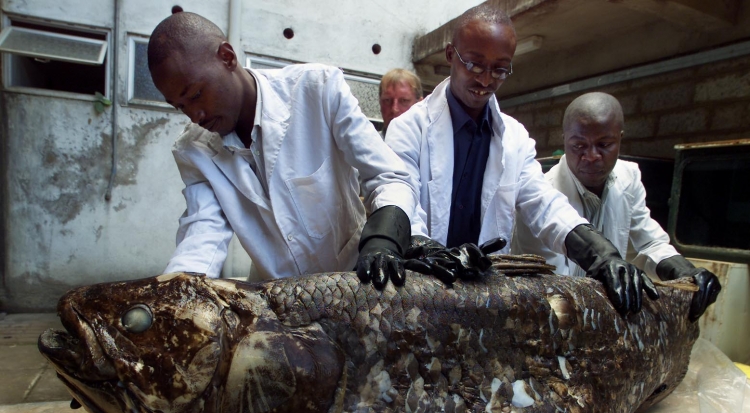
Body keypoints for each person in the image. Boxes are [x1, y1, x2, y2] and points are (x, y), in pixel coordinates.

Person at [384, 4, 659, 317]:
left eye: (500, 69)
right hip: (422, 291)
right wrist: (428, 250)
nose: (486, 80)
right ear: (451, 55)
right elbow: (398, 198)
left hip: (486, 296)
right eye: (474, 65)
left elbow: (543, 205)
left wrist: (601, 255)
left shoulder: (514, 137)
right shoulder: (409, 129)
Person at [147, 11, 422, 287]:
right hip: (278, 299)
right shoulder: (194, 150)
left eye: (195, 94)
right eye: (181, 106)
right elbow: (201, 235)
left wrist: (383, 239)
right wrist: (176, 297)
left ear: (227, 57)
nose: (195, 115)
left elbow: (389, 176)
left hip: (354, 281)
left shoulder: (318, 90)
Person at [513, 92, 721, 321]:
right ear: (564, 140)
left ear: (620, 138)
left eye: (604, 144)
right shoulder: (541, 197)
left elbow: (648, 242)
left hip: (603, 319)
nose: (591, 156)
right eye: (578, 145)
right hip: (554, 317)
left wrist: (683, 271)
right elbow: (551, 282)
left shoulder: (628, 178)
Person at [379, 69, 423, 137]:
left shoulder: (431, 146)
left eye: (404, 101)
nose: (394, 109)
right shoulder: (366, 146)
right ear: (380, 103)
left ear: (419, 105)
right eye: (387, 100)